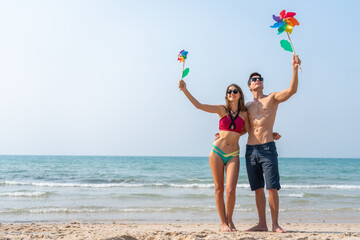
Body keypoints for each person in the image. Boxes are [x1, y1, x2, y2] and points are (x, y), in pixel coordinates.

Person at [179, 80, 249, 232]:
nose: (231, 93)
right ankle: (223, 223)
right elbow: (199, 105)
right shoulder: (220, 109)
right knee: (219, 189)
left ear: (240, 95)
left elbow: (248, 130)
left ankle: (230, 220)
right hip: (217, 152)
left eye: (235, 91)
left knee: (230, 190)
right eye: (229, 91)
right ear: (227, 95)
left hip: (234, 154)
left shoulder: (244, 114)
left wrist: (233, 133)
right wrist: (185, 90)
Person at [245, 54, 301, 233]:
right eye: (254, 79)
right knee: (258, 189)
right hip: (250, 150)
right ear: (249, 85)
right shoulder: (246, 106)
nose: (258, 80)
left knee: (272, 188)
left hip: (267, 148)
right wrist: (224, 134)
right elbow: (242, 127)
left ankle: (275, 224)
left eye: (260, 79)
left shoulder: (272, 98)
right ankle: (262, 224)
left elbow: (292, 90)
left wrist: (294, 69)